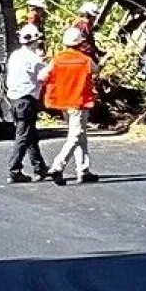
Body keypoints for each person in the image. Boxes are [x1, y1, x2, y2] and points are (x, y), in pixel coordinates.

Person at [42, 26, 100, 186]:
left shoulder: (57, 59)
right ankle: (58, 165)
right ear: (80, 44)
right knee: (76, 135)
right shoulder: (85, 60)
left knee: (80, 135)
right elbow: (96, 70)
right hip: (79, 102)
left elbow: (42, 76)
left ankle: (83, 170)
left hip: (63, 102)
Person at [5, 24, 49, 184]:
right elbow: (44, 76)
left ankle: (39, 167)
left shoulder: (15, 55)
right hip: (26, 100)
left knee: (30, 135)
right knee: (23, 136)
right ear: (34, 41)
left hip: (15, 99)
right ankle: (14, 169)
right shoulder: (33, 59)